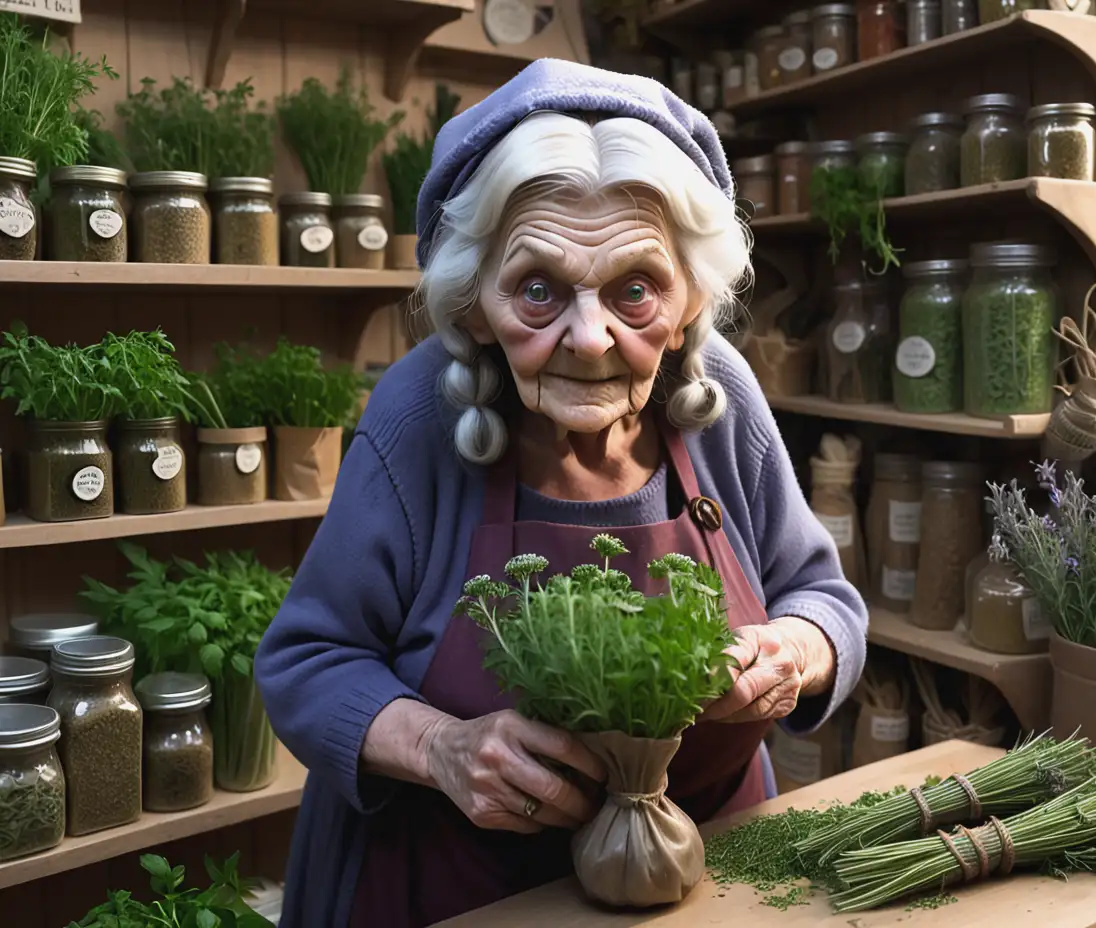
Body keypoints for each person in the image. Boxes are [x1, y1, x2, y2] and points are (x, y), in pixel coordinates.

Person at [254, 58, 868, 928]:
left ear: (691, 299)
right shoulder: (420, 411)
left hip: (706, 886)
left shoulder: (718, 395)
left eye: (636, 290)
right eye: (538, 290)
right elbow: (305, 664)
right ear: (473, 304)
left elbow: (826, 601)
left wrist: (793, 652)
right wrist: (441, 746)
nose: (590, 338)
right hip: (457, 889)